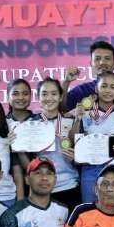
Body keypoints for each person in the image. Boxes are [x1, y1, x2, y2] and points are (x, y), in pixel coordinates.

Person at [67, 71, 114, 204]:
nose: (108, 90)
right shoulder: (85, 113)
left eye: (113, 87)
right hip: (90, 167)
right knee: (90, 207)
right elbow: (72, 140)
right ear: (96, 88)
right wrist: (78, 119)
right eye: (104, 86)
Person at [33, 78, 81, 212]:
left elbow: (82, 155)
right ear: (38, 97)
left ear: (60, 97)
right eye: (44, 94)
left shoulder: (72, 121)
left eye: (54, 94)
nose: (49, 98)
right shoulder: (30, 125)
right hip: (42, 187)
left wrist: (76, 158)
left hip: (69, 185)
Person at [65, 40, 114, 111]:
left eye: (107, 58)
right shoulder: (81, 91)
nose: (102, 62)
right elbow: (62, 108)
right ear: (91, 63)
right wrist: (66, 82)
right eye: (97, 59)